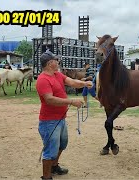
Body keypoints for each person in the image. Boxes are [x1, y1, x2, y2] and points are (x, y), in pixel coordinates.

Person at [36, 50, 93, 180]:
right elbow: (49, 99)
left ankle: (54, 166)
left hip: (60, 119)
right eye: (56, 60)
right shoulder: (43, 79)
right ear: (50, 63)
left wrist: (85, 83)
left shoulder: (57, 74)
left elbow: (72, 82)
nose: (58, 62)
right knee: (50, 150)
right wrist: (71, 101)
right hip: (49, 122)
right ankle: (46, 176)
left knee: (62, 144)